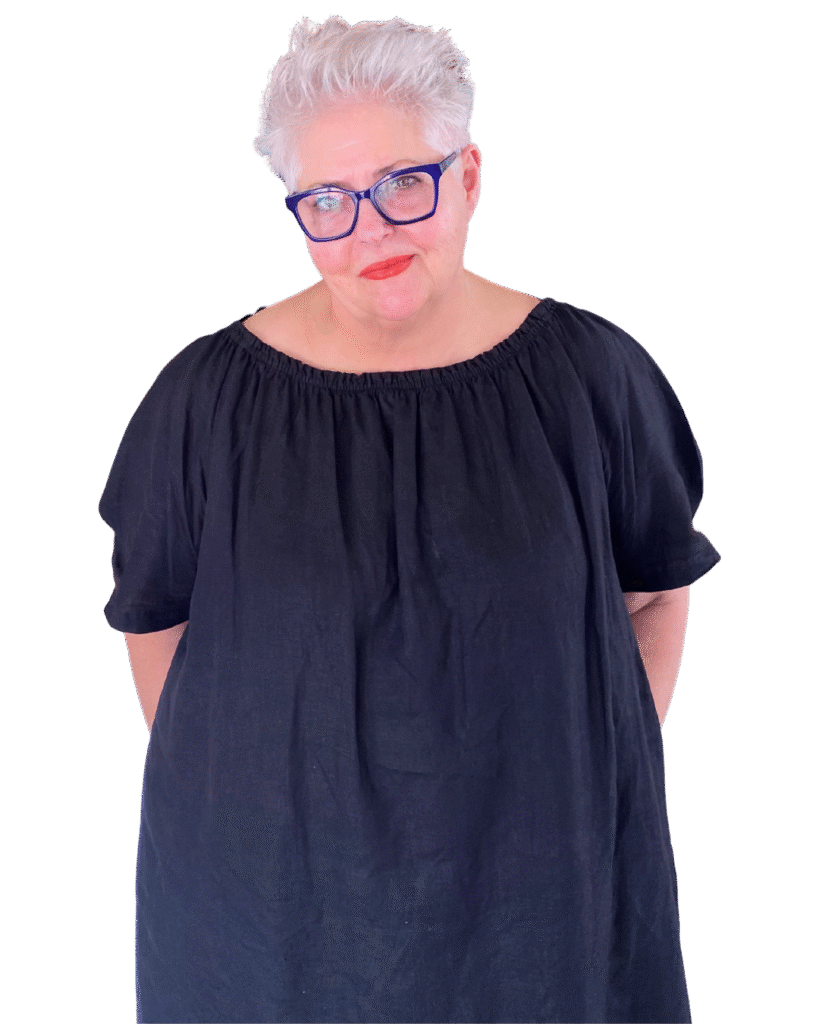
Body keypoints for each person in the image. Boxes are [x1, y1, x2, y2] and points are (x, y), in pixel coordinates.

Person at [98, 16, 721, 1024]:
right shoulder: (203, 402)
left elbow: (654, 594)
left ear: (466, 176)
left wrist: (578, 783)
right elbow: (155, 624)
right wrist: (257, 813)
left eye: (403, 184)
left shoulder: (591, 379)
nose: (370, 231)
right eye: (328, 201)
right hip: (267, 927)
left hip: (546, 914)